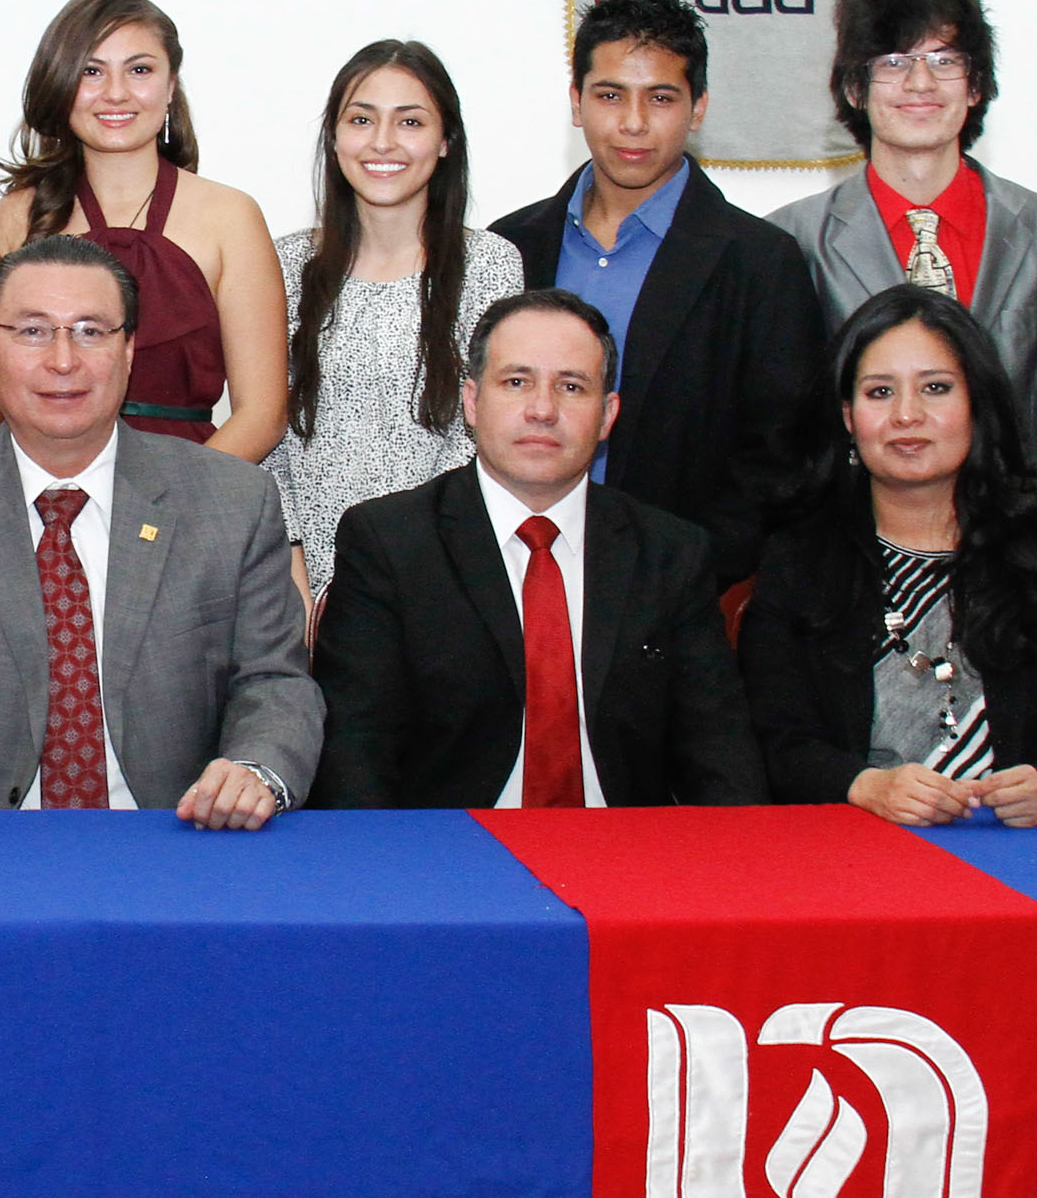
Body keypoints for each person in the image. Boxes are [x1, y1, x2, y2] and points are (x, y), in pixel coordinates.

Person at [0, 235, 321, 831]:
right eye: (32, 331)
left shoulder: (233, 500)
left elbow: (276, 685)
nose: (63, 360)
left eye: (90, 331)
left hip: (180, 837)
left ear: (129, 351)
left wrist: (254, 770)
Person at [310, 291, 764, 810]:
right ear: (472, 402)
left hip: (625, 856)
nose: (543, 409)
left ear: (607, 414)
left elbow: (719, 749)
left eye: (572, 387)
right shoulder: (389, 541)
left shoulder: (669, 552)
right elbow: (356, 749)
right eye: (517, 382)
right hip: (450, 855)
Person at [741, 287, 1037, 827]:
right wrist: (865, 785)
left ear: (977, 403)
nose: (907, 414)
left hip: (1021, 858)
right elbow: (773, 738)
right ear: (848, 417)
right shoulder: (798, 560)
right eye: (880, 392)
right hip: (850, 854)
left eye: (936, 388)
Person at [487, 0, 824, 586]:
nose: (634, 122)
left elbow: (779, 463)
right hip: (511, 580)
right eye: (610, 95)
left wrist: (682, 578)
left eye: (661, 98)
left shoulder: (759, 263)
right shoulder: (507, 248)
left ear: (698, 109)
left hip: (683, 595)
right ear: (576, 100)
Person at [770, 0, 1037, 438]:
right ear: (856, 89)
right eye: (894, 62)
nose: (920, 83)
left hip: (1014, 508)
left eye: (945, 61)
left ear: (976, 85)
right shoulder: (790, 244)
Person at [265, 39, 525, 614]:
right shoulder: (281, 267)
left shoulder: (492, 264)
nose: (383, 142)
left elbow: (479, 433)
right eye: (361, 120)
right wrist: (293, 565)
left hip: (443, 580)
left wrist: (408, 571)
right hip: (302, 587)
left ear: (445, 141)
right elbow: (266, 429)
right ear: (334, 138)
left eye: (410, 121)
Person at [0, 0, 288, 460]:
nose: (115, 93)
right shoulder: (18, 216)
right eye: (91, 71)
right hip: (47, 499)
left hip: (193, 492)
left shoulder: (231, 218)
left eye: (139, 70)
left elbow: (264, 414)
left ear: (171, 86)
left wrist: (174, 506)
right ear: (61, 82)